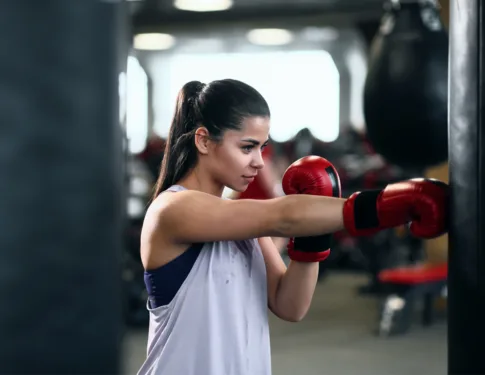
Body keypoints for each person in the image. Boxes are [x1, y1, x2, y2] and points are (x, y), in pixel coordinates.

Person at [138, 79, 449, 375]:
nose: (259, 161)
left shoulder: (242, 231)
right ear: (203, 140)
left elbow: (291, 305)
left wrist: (313, 232)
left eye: (261, 147)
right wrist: (388, 206)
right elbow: (283, 216)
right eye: (247, 147)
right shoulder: (172, 209)